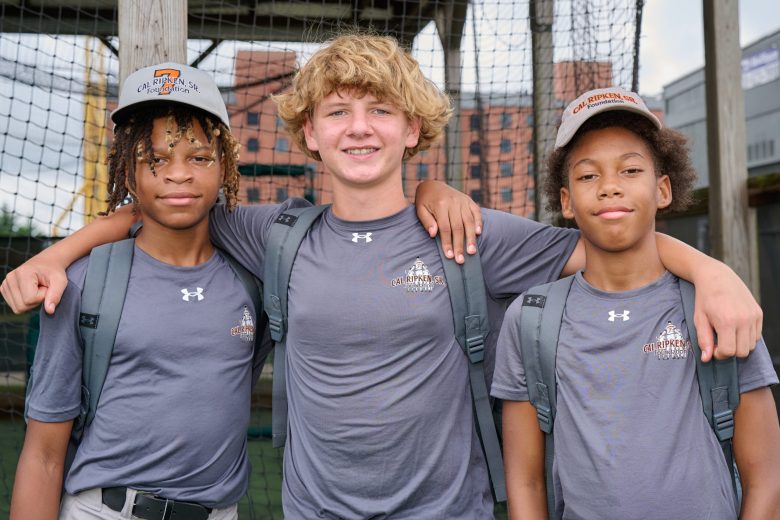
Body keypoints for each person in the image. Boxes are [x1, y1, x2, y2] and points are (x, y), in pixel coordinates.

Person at [1, 35, 764, 519]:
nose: (358, 126)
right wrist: (56, 252)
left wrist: (713, 271)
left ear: (413, 128)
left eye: (379, 108)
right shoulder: (272, 231)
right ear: (308, 132)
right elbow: (160, 206)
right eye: (336, 111)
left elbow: (612, 241)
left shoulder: (472, 232)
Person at [491, 87, 780, 519]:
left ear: (662, 189)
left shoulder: (718, 307)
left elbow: (767, 478)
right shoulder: (531, 320)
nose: (609, 187)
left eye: (629, 170)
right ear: (566, 200)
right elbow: (526, 481)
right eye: (588, 176)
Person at [10, 63, 270, 520]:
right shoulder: (83, 282)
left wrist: (435, 191)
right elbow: (43, 455)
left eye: (199, 157)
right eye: (155, 160)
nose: (178, 175)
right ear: (129, 177)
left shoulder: (253, 275)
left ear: (224, 165)